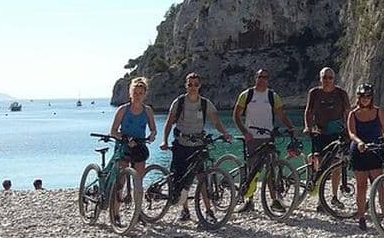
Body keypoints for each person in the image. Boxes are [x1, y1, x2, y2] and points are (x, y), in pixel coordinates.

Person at [160, 72, 233, 222]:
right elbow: (168, 123)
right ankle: (185, 210)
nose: (193, 87)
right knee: (180, 178)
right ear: (186, 86)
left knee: (202, 178)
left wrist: (225, 133)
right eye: (190, 84)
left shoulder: (205, 103)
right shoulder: (179, 102)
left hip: (198, 145)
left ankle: (208, 211)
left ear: (200, 86)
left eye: (196, 84)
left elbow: (216, 121)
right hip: (181, 144)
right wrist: (164, 141)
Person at [232, 68, 296, 212]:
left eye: (265, 77)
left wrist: (291, 128)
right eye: (260, 76)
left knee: (271, 169)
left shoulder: (273, 96)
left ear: (268, 79)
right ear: (255, 78)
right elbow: (236, 115)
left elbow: (282, 115)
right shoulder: (246, 95)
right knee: (252, 169)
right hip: (252, 138)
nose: (262, 79)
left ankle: (274, 200)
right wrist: (245, 132)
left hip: (268, 137)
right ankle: (249, 201)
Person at [304, 66, 351, 212]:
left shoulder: (341, 93)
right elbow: (308, 111)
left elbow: (348, 113)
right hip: (319, 132)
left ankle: (334, 196)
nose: (327, 80)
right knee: (321, 164)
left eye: (330, 77)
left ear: (334, 79)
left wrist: (350, 131)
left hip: (336, 133)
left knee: (336, 164)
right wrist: (307, 126)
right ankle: (320, 198)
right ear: (320, 79)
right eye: (324, 77)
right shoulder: (315, 93)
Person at [347, 84, 384, 230]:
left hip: (375, 150)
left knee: (379, 185)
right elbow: (352, 133)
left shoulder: (378, 112)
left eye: (368, 96)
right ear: (358, 97)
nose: (366, 99)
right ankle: (361, 216)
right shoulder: (353, 114)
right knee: (361, 186)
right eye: (363, 96)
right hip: (359, 151)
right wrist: (359, 143)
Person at [109, 76, 157, 179]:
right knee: (121, 181)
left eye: (140, 93)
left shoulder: (148, 111)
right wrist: (125, 138)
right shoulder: (122, 110)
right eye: (135, 93)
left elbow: (153, 129)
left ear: (145, 95)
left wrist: (152, 136)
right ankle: (117, 194)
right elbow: (113, 131)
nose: (137, 96)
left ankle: (137, 195)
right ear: (130, 94)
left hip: (139, 146)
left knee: (138, 180)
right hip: (123, 147)